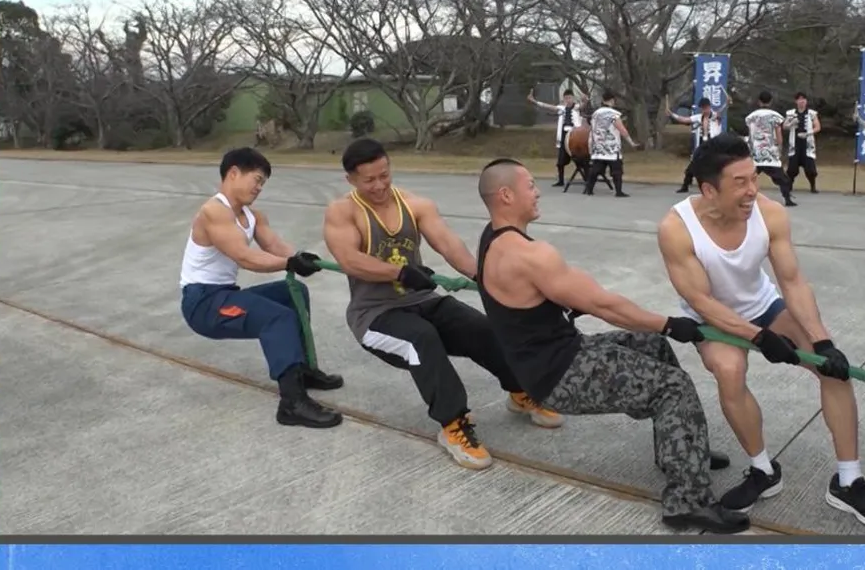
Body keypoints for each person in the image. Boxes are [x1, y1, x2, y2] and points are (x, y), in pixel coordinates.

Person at [474, 157, 750, 534]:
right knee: (673, 387)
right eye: (530, 185)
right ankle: (687, 502)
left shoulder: (492, 239)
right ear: (505, 195)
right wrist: (671, 324)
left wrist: (658, 332)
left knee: (652, 347)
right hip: (561, 373)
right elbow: (605, 306)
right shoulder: (529, 255)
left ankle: (679, 451)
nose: (537, 191)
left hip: (554, 358)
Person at [656, 134, 865, 531]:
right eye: (740, 182)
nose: (753, 190)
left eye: (755, 178)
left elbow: (793, 282)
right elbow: (701, 301)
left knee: (833, 370)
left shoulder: (769, 214)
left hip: (764, 306)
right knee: (730, 372)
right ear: (708, 190)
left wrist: (822, 341)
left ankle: (849, 480)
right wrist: (757, 337)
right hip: (714, 320)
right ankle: (763, 470)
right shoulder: (676, 228)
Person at [322, 138, 564, 470]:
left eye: (384, 175)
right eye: (369, 180)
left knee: (482, 329)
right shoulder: (342, 212)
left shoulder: (414, 204)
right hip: (374, 315)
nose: (379, 186)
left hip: (422, 300)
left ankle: (521, 392)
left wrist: (483, 276)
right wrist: (401, 272)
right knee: (422, 339)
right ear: (351, 179)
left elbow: (449, 245)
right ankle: (453, 426)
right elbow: (350, 261)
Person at [179, 147, 344, 430]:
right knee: (277, 317)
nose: (259, 188)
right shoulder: (213, 212)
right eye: (256, 179)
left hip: (226, 294)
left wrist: (302, 258)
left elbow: (276, 248)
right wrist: (288, 262)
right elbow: (245, 257)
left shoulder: (253, 216)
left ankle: (301, 369)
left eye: (263, 183)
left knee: (294, 294)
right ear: (233, 173)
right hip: (203, 304)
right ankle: (292, 403)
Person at [744, 91, 796, 207]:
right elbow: (778, 133)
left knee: (747, 177)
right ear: (771, 101)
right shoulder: (775, 116)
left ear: (759, 102)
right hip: (770, 152)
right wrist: (780, 147)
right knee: (783, 179)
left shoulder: (751, 116)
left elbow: (750, 133)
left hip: (756, 152)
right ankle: (787, 198)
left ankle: (741, 196)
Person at [585, 91, 640, 197]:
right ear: (612, 100)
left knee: (596, 169)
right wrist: (631, 142)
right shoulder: (613, 114)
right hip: (612, 148)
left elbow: (592, 129)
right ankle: (618, 191)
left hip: (599, 146)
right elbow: (622, 130)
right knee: (616, 171)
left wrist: (591, 145)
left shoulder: (595, 114)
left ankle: (589, 189)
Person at [528, 87, 586, 187]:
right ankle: (561, 180)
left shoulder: (576, 107)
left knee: (580, 159)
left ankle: (588, 179)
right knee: (560, 162)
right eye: (566, 98)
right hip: (564, 137)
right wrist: (535, 102)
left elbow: (583, 105)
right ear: (563, 99)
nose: (568, 100)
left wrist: (585, 100)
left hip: (575, 137)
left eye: (570, 98)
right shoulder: (561, 108)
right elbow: (548, 106)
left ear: (573, 99)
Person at [666, 98, 726, 194]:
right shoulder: (699, 117)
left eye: (706, 108)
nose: (704, 110)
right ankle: (685, 185)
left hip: (713, 146)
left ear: (709, 107)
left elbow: (721, 110)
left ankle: (719, 187)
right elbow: (685, 119)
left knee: (715, 168)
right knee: (692, 166)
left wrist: (727, 102)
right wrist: (672, 114)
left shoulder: (714, 116)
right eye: (702, 108)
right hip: (702, 146)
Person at [783, 92, 820, 194]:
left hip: (807, 144)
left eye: (803, 99)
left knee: (810, 169)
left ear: (806, 101)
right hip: (794, 144)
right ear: (796, 101)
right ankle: (789, 186)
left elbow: (817, 127)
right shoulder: (790, 113)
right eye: (799, 99)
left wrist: (808, 133)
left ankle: (813, 186)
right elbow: (784, 126)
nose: (802, 101)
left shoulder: (812, 113)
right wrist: (791, 123)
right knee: (792, 169)